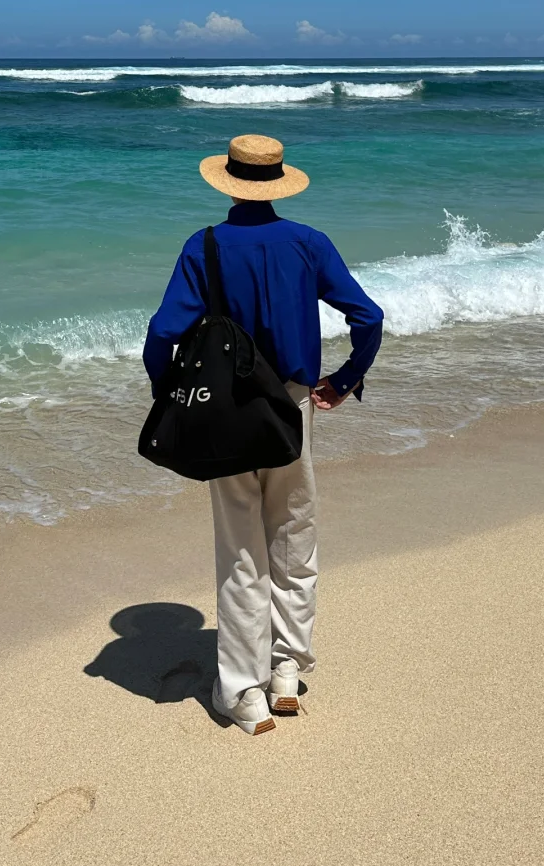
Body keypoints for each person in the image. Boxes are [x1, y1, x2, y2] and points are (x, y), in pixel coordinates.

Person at [142, 133, 384, 735]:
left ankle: (242, 693)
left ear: (226, 180)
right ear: (278, 181)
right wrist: (345, 381)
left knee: (240, 553)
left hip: (226, 416)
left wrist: (171, 396)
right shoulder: (308, 242)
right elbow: (369, 318)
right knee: (293, 542)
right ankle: (285, 676)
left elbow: (159, 337)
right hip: (293, 407)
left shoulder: (205, 247)